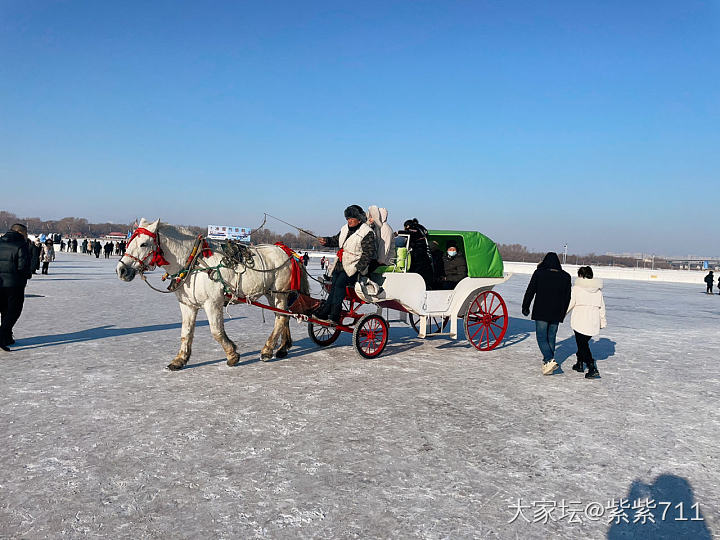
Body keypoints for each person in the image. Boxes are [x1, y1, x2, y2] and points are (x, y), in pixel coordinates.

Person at [314, 205, 376, 324]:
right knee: (333, 287)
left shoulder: (367, 232)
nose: (349, 221)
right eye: (348, 218)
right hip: (340, 264)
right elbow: (337, 240)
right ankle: (326, 310)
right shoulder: (344, 228)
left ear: (359, 219)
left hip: (354, 267)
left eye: (352, 218)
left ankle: (335, 315)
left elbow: (368, 253)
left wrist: (359, 268)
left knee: (339, 285)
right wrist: (326, 240)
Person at [521, 252, 572, 375]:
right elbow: (567, 297)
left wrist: (525, 306)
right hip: (557, 312)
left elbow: (530, 290)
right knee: (551, 336)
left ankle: (549, 359)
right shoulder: (566, 276)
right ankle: (547, 363)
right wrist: (563, 311)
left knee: (541, 337)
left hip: (541, 310)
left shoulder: (539, 273)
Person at [566, 266, 607, 379]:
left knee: (583, 345)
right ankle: (579, 364)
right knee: (582, 343)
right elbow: (601, 307)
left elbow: (570, 303)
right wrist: (602, 321)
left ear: (581, 276)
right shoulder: (598, 291)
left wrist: (561, 315)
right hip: (593, 321)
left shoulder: (576, 289)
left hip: (579, 320)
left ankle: (592, 367)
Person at [0, 224, 32, 351]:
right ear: (20, 232)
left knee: (4, 310)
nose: (26, 235)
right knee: (14, 311)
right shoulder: (21, 245)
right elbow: (23, 267)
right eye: (26, 233)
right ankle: (2, 334)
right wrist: (27, 275)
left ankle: (7, 337)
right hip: (15, 284)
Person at [402, 218, 434, 288]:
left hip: (418, 253)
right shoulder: (420, 228)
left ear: (407, 226)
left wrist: (398, 233)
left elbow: (407, 233)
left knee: (418, 270)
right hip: (422, 253)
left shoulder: (414, 229)